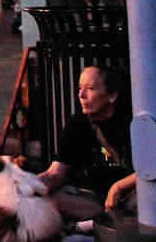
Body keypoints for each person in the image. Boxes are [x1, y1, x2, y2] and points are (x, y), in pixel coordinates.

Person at [38, 66, 136, 220]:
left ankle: (98, 227)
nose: (81, 95)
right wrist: (27, 185)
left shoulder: (133, 122)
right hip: (94, 202)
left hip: (131, 196)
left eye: (90, 88)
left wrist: (119, 186)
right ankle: (101, 224)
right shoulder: (77, 123)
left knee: (142, 201)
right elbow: (55, 174)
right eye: (79, 88)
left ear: (112, 96)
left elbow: (150, 170)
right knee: (46, 199)